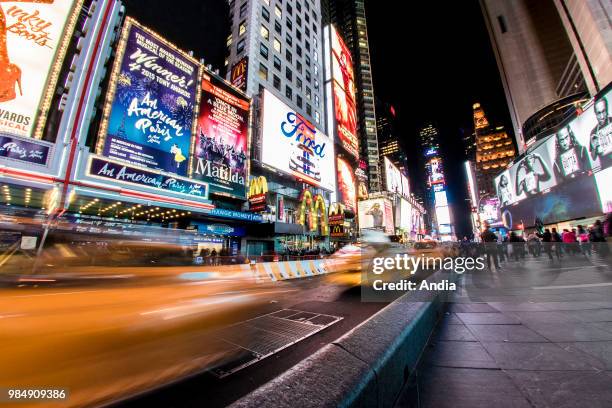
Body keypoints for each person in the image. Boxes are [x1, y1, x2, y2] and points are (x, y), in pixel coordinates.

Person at [589, 97, 612, 170]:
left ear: (607, 109)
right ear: (595, 113)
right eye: (599, 113)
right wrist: (594, 148)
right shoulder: (593, 132)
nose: (602, 116)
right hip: (607, 169)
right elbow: (593, 157)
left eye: (603, 111)